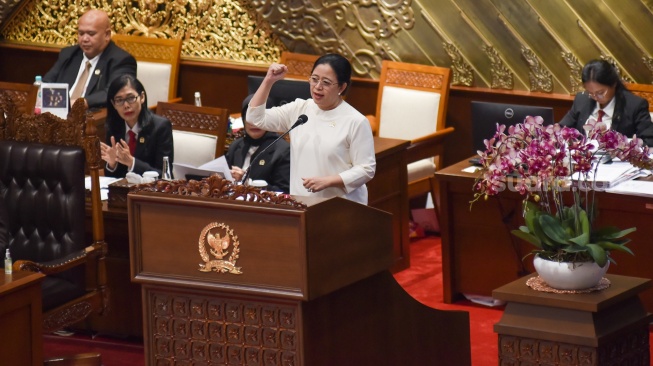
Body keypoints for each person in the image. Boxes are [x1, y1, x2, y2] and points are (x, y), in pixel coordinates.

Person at [247, 53, 376, 205]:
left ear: (342, 87)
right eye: (314, 79)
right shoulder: (300, 109)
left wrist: (329, 181)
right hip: (301, 202)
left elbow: (367, 169)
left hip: (341, 205)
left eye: (326, 82)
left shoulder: (356, 121)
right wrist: (268, 80)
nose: (317, 87)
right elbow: (255, 118)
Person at [43, 9, 137, 109]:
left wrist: (80, 103)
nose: (84, 39)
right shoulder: (69, 54)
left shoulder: (122, 60)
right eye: (81, 33)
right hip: (57, 114)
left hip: (92, 119)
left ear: (107, 35)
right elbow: (47, 82)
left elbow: (117, 93)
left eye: (91, 34)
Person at [560, 59, 653, 147]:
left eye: (600, 93)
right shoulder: (582, 99)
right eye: (591, 93)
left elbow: (649, 141)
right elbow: (562, 129)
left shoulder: (634, 105)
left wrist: (622, 145)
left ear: (614, 84)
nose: (595, 97)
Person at [101, 74, 173, 178]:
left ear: (142, 97)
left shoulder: (161, 127)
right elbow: (112, 178)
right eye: (119, 100)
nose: (126, 105)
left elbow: (164, 175)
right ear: (113, 104)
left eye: (130, 98)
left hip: (151, 191)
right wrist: (112, 164)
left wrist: (132, 162)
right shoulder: (113, 127)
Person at [226, 95, 290, 193]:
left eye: (259, 117)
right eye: (249, 117)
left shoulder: (283, 150)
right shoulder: (236, 146)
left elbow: (285, 192)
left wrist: (248, 182)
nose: (254, 123)